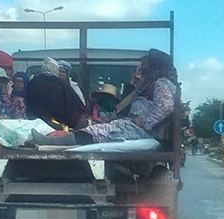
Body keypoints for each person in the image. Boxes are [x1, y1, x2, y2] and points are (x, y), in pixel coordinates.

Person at [29, 49, 177, 146]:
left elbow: (166, 106)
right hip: (130, 125)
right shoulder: (149, 83)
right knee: (96, 127)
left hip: (138, 130)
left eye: (144, 62)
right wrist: (140, 84)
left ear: (153, 64)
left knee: (98, 132)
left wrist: (146, 123)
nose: (141, 64)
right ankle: (53, 140)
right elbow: (123, 106)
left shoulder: (161, 84)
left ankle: (51, 143)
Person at [26, 57, 89, 130]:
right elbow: (73, 105)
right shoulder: (61, 84)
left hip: (35, 124)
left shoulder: (32, 83)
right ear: (55, 69)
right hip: (58, 125)